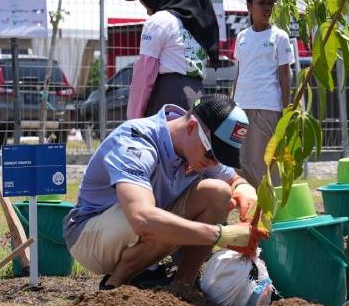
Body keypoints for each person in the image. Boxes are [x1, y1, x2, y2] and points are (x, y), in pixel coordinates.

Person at [63, 94, 264, 290]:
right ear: (191, 127)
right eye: (212, 154)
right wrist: (219, 235)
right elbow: (141, 219)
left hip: (139, 224)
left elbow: (233, 180)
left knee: (217, 192)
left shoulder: (196, 145)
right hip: (90, 236)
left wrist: (244, 190)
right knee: (143, 219)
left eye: (222, 157)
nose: (214, 163)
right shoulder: (137, 142)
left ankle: (183, 286)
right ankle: (115, 284)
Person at [121, 0, 220, 119]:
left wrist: (134, 119)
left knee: (163, 141)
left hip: (168, 96)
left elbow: (144, 75)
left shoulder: (160, 21)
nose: (143, 2)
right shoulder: (198, 26)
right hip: (197, 95)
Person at [232, 0, 294, 187]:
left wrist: (286, 110)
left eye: (271, 3)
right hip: (241, 108)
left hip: (267, 107)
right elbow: (239, 72)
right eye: (261, 3)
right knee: (240, 161)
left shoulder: (280, 37)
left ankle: (272, 211)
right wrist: (232, 106)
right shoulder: (241, 37)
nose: (267, 7)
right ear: (249, 6)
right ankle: (253, 209)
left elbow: (285, 75)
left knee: (263, 163)